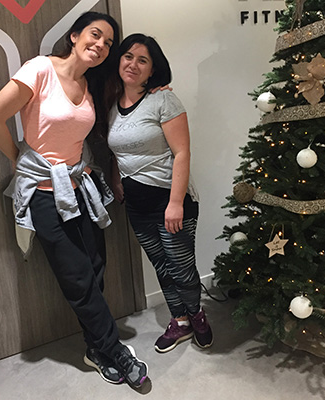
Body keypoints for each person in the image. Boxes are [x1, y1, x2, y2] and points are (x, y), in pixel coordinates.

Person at [0, 12, 148, 388]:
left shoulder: (90, 84)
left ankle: (96, 349)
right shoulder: (40, 69)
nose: (101, 45)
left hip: (80, 189)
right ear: (74, 36)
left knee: (96, 269)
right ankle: (116, 352)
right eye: (95, 35)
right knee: (77, 279)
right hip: (44, 195)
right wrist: (19, 159)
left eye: (108, 43)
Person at [107, 34, 213, 354]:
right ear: (119, 60)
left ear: (152, 70)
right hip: (137, 206)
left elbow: (182, 153)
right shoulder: (111, 105)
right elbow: (117, 151)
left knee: (181, 267)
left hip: (170, 201)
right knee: (162, 266)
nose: (133, 64)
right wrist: (117, 181)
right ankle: (180, 321)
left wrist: (176, 203)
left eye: (143, 60)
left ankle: (197, 316)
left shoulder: (163, 99)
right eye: (128, 56)